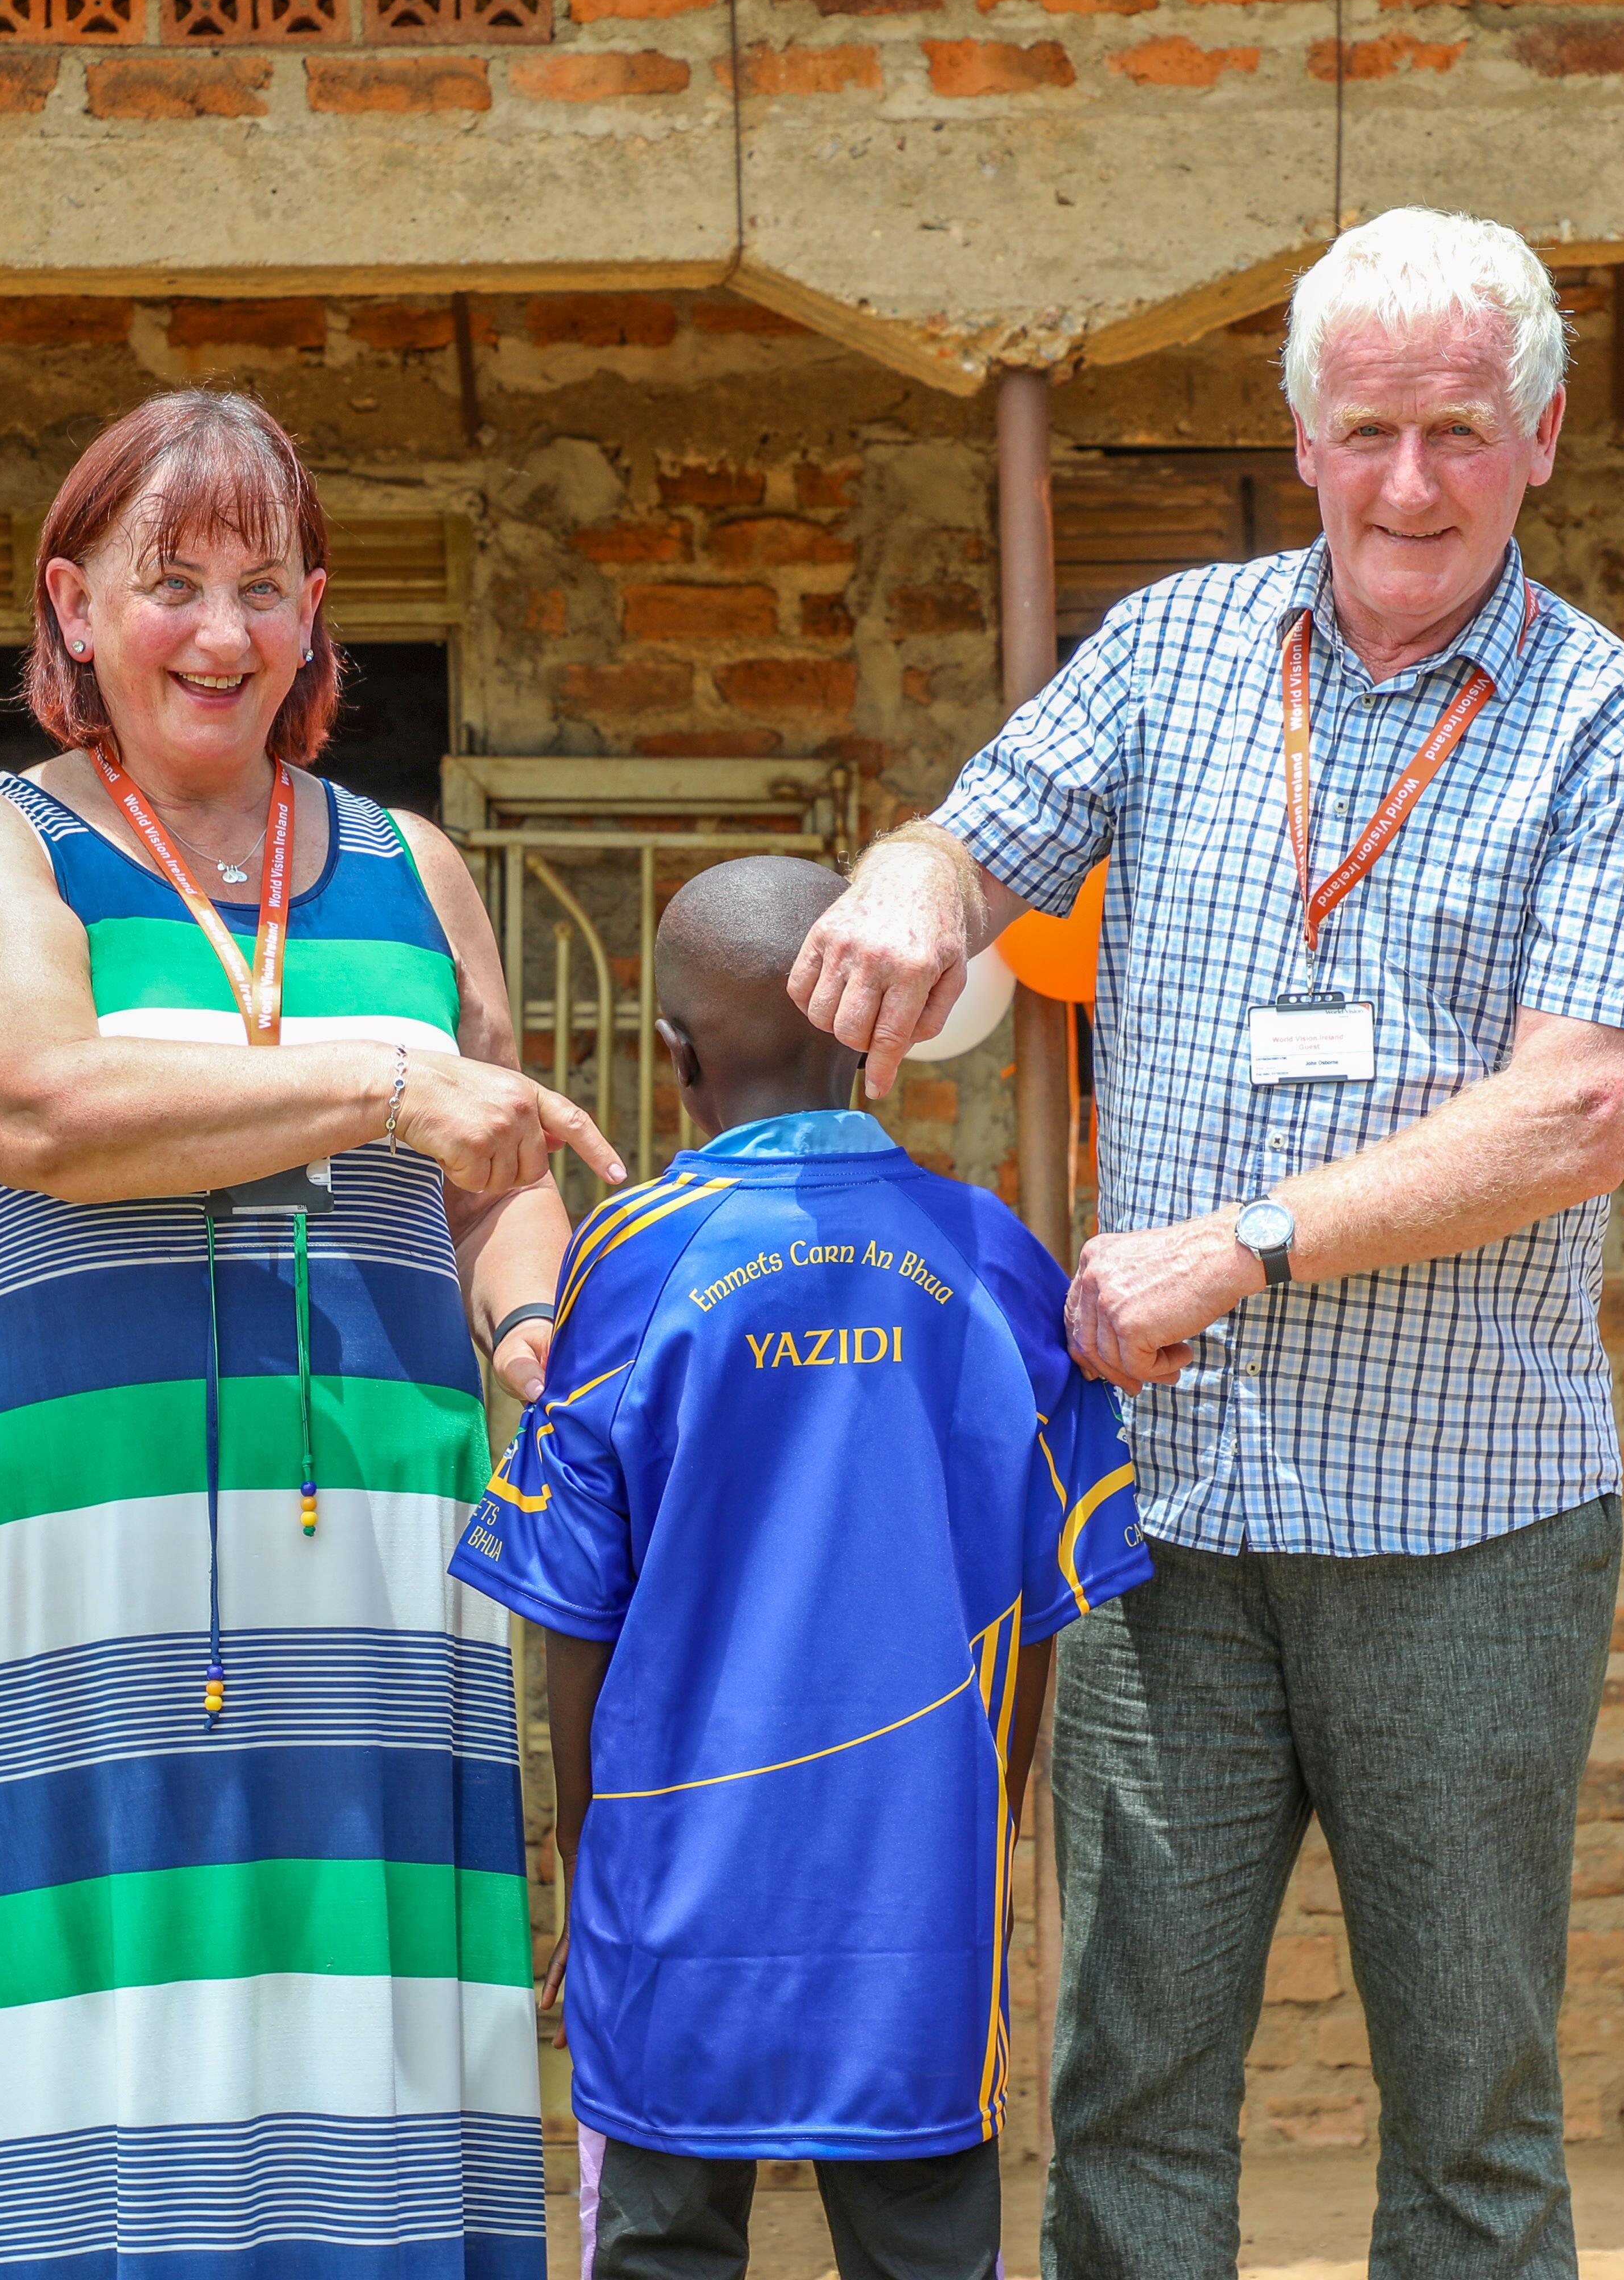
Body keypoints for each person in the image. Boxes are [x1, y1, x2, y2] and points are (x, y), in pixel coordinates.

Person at [787, 207, 1624, 2277]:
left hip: (1470, 1524)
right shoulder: (1170, 652)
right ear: (1299, 438)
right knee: (1128, 2088)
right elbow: (973, 830)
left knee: (1471, 2115)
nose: (1409, 482)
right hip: (1169, 1523)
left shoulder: (1610, 726)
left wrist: (1245, 1246)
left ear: (1542, 435)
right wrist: (918, 884)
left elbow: (1579, 1109)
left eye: (1459, 431)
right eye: (1367, 429)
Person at [0, 387, 621, 2280]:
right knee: (108, 1989)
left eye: (262, 586)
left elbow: (496, 1166)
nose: (219, 633)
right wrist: (386, 1081)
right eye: (169, 583)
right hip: (89, 1543)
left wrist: (531, 1315)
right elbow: (40, 1103)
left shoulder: (409, 862)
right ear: (71, 602)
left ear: (314, 615)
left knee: (353, 1988)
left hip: (381, 1526)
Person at [450, 856, 1150, 2280]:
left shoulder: (627, 1264)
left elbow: (574, 1620)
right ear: (876, 1027)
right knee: (925, 2253)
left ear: (672, 1056)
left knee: (659, 2247)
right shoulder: (1000, 1264)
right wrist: (991, 1824)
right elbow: (1046, 1604)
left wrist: (588, 1870)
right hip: (918, 1900)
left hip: (670, 1894)